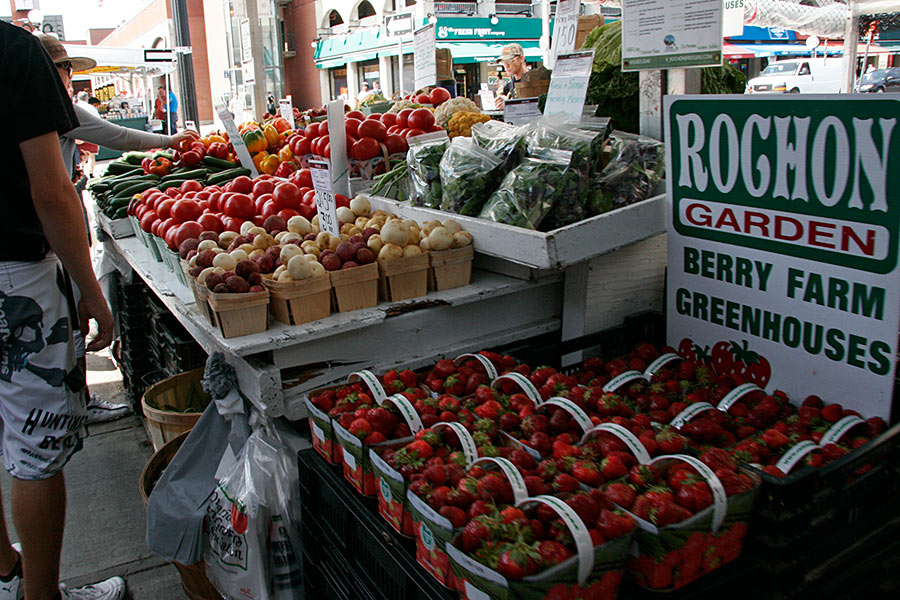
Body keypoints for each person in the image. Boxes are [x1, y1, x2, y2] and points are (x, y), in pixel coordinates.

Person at [0, 21, 123, 600]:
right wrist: (90, 291)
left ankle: (6, 572)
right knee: (36, 444)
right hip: (14, 276)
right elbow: (50, 191)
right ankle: (41, 595)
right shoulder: (13, 51)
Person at [37, 33, 199, 425]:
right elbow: (118, 136)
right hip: (52, 225)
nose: (69, 75)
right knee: (72, 306)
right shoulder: (54, 106)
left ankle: (72, 397)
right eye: (65, 68)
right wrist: (171, 141)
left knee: (63, 311)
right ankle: (77, 400)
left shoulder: (30, 106)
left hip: (41, 225)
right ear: (49, 70)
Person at [494, 43, 529, 109]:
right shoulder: (508, 87)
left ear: (521, 58)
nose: (506, 66)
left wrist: (509, 104)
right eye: (503, 63)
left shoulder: (534, 81)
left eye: (509, 61)